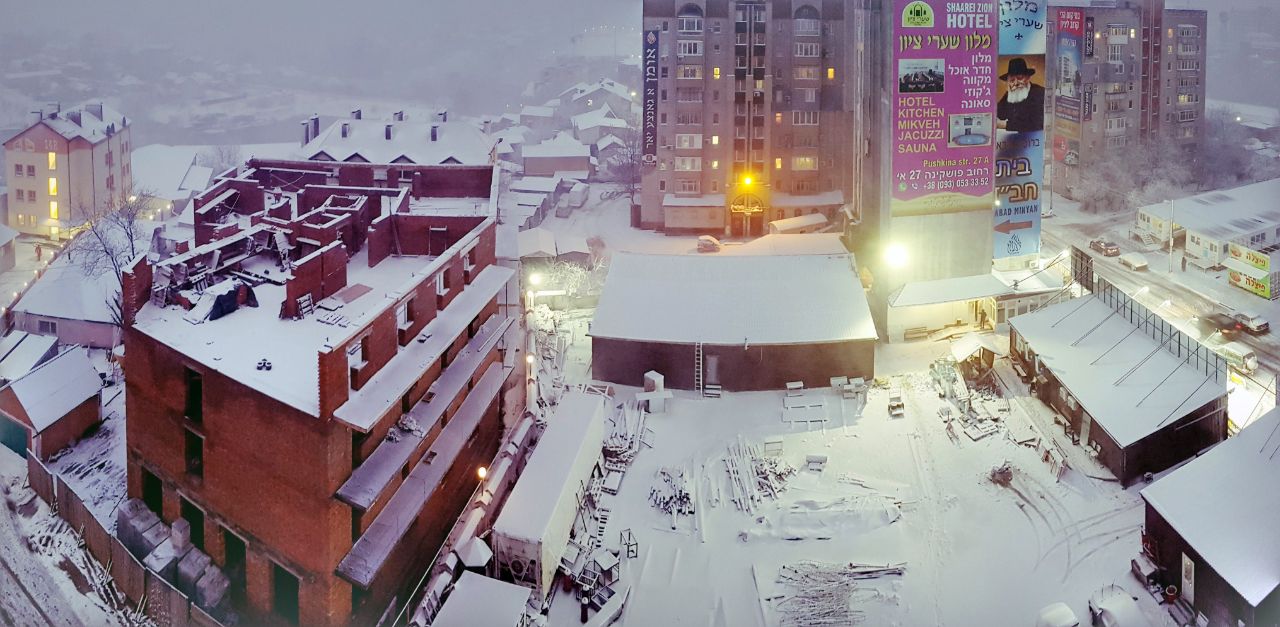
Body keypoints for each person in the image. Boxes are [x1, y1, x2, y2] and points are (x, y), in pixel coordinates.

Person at [996, 57, 1046, 133]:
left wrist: (1005, 125)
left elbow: (1036, 123)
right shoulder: (1010, 94)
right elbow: (999, 114)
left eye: (1019, 78)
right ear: (1008, 82)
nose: (1016, 83)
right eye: (1012, 80)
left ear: (1028, 78)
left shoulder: (1040, 93)